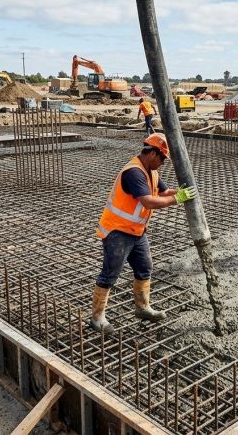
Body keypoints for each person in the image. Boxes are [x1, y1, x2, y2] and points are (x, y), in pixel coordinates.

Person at [91, 133, 197, 334]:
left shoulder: (151, 171)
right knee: (110, 274)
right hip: (118, 232)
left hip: (137, 232)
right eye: (163, 158)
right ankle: (97, 318)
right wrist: (179, 199)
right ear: (153, 153)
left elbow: (163, 192)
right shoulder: (134, 172)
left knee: (144, 268)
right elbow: (149, 201)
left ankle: (142, 307)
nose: (164, 162)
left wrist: (179, 191)